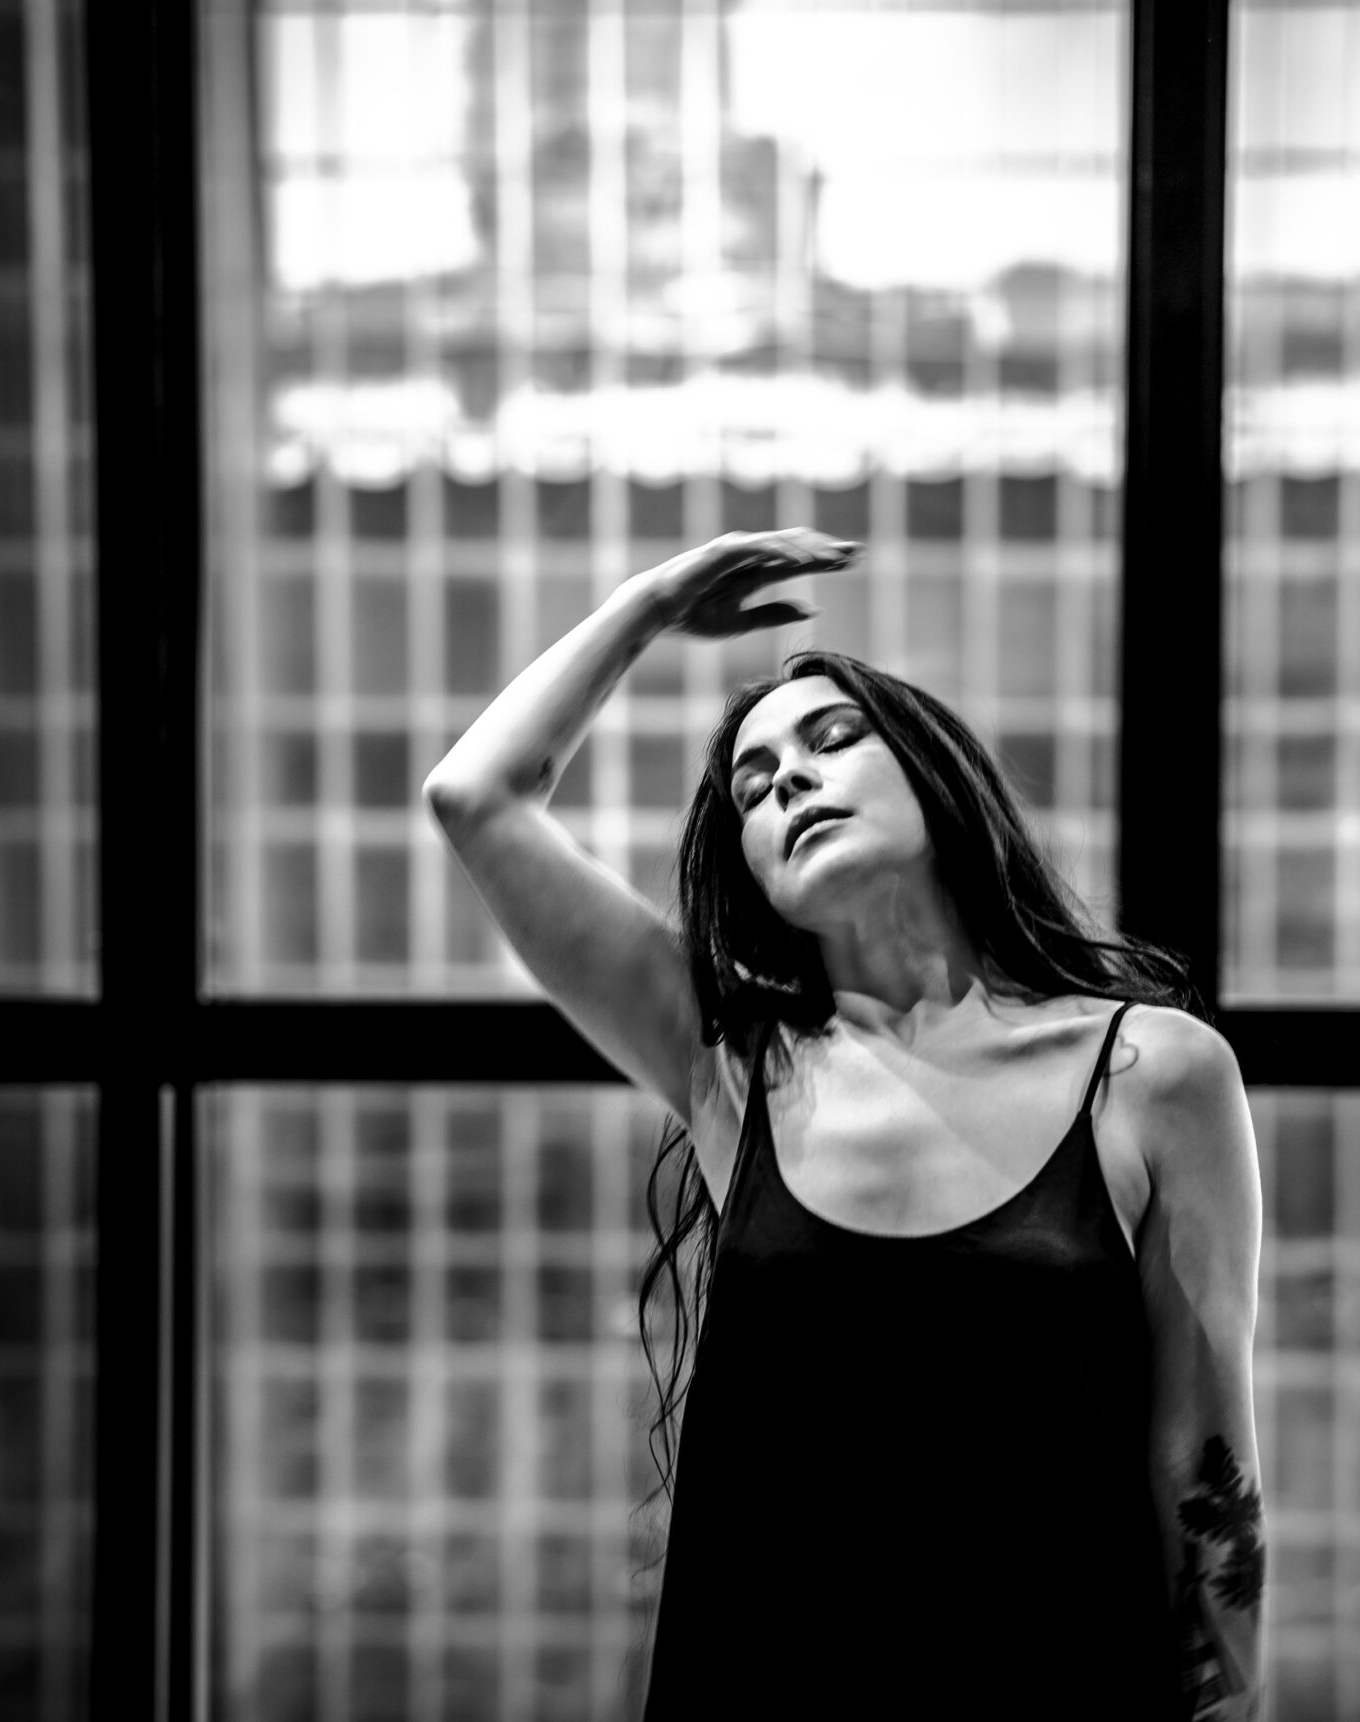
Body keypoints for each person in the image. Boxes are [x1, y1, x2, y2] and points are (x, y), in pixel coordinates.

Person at [422, 527, 1265, 1719]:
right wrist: (650, 604)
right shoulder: (731, 1070)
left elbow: (1204, 1465)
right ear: (751, 868)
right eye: (752, 786)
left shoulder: (1151, 1071)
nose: (789, 782)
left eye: (829, 740)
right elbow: (474, 797)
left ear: (935, 774)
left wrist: (1232, 1704)